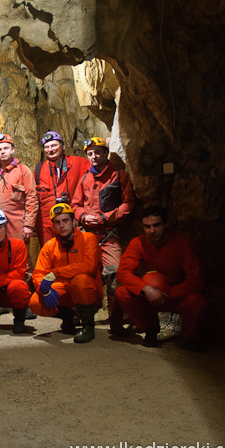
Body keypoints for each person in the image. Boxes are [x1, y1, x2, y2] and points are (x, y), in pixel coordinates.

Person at [115, 205, 207, 350]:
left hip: (174, 295)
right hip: (148, 295)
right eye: (147, 226)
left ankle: (190, 337)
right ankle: (150, 328)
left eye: (157, 225)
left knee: (197, 301)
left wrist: (167, 294)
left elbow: (196, 280)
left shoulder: (183, 244)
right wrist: (146, 290)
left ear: (166, 224)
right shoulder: (138, 243)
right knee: (122, 293)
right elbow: (123, 273)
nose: (152, 231)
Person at [72, 136, 135, 334]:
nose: (94, 156)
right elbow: (75, 204)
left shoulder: (118, 176)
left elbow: (128, 204)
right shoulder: (85, 178)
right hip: (88, 236)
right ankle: (84, 318)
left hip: (109, 234)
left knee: (114, 274)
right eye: (90, 153)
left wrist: (104, 218)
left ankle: (116, 322)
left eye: (98, 152)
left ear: (106, 153)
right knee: (83, 274)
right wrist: (83, 217)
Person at [30, 203, 103, 343]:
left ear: (73, 222)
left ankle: (88, 327)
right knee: (35, 302)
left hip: (87, 291)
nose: (61, 225)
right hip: (64, 291)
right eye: (57, 222)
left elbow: (89, 266)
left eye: (65, 221)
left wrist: (56, 273)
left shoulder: (88, 238)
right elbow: (39, 273)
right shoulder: (50, 246)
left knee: (80, 281)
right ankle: (68, 318)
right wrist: (43, 288)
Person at [34, 131, 90, 245]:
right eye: (47, 147)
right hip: (47, 226)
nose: (50, 149)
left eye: (54, 145)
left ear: (63, 146)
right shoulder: (40, 170)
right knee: (51, 257)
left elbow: (99, 171)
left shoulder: (78, 163)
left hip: (71, 221)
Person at [0, 133, 39, 244]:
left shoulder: (23, 170)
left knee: (20, 256)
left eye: (6, 148)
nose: (3, 152)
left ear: (12, 149)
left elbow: (32, 198)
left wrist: (29, 225)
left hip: (17, 225)